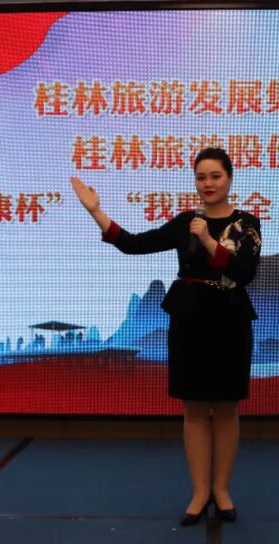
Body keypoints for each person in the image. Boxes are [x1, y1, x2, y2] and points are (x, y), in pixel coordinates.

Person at [70, 147, 262, 526]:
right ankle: (199, 492)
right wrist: (96, 211)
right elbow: (134, 244)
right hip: (189, 319)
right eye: (201, 177)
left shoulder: (247, 224)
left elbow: (244, 272)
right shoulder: (186, 221)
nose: (207, 184)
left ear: (230, 178)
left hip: (230, 320)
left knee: (226, 407)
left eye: (215, 176)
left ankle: (222, 491)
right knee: (194, 407)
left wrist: (208, 240)